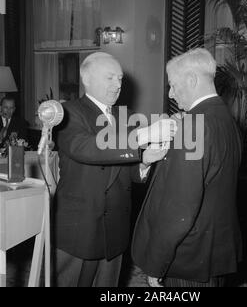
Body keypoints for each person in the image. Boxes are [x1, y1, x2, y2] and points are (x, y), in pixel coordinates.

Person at [52, 52, 176, 287]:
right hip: (79, 228)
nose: (117, 85)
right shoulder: (68, 112)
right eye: (110, 78)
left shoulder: (126, 116)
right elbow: (86, 148)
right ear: (86, 79)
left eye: (119, 79)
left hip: (115, 228)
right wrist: (144, 135)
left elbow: (124, 170)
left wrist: (145, 161)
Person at [131, 48, 243, 287]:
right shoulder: (227, 120)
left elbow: (179, 208)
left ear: (191, 80)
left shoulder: (192, 127)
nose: (171, 94)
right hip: (215, 252)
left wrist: (156, 263)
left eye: (173, 85)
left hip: (187, 258)